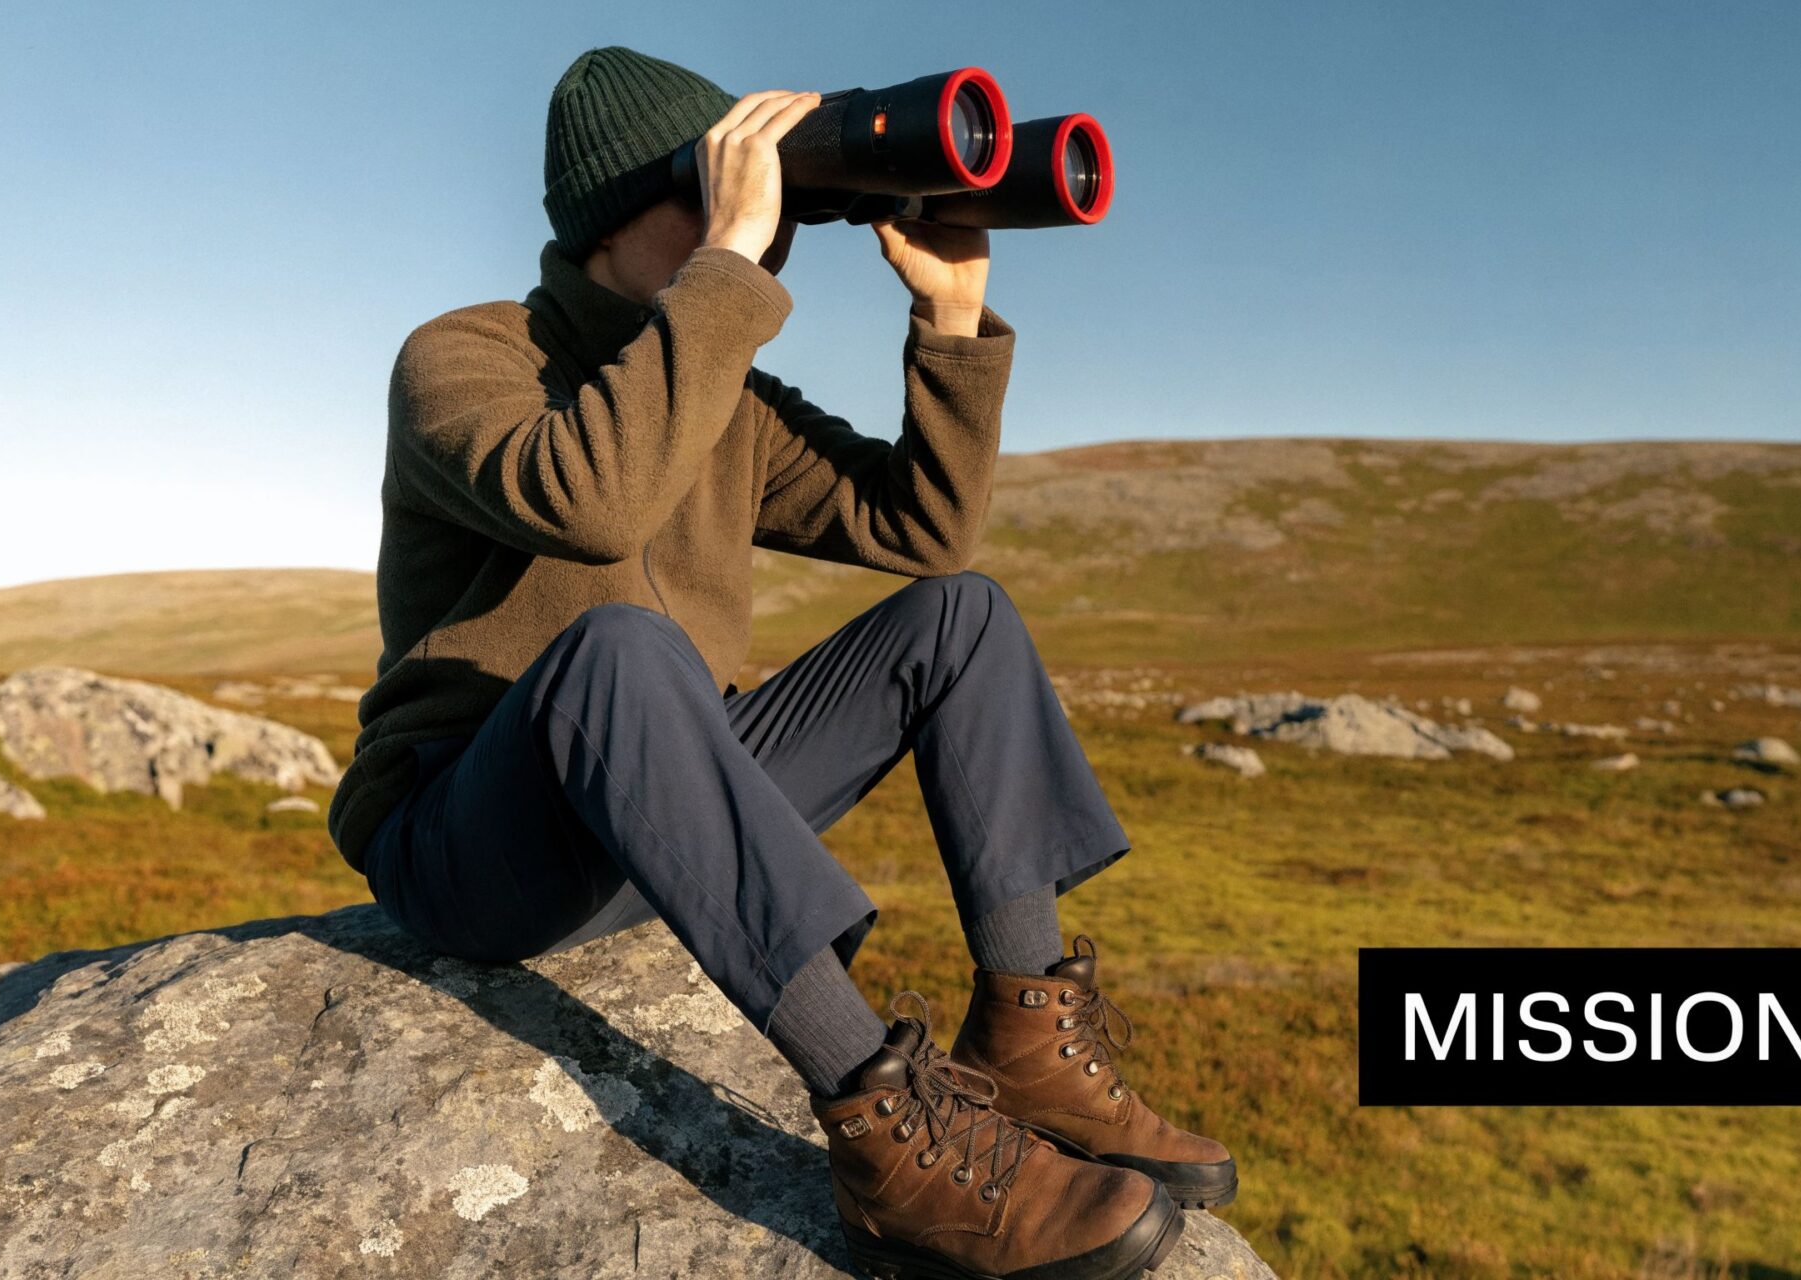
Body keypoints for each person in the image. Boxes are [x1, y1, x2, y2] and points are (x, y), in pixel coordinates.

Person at [325, 46, 1233, 1279]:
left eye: (770, 191)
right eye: (720, 185)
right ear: (614, 215)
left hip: (663, 821)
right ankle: (884, 1128)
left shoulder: (726, 394)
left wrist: (948, 317)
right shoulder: (464, 356)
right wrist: (727, 270)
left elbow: (923, 528)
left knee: (959, 614)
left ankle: (1027, 1039)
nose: (768, 224)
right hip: (474, 841)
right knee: (621, 647)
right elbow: (596, 500)